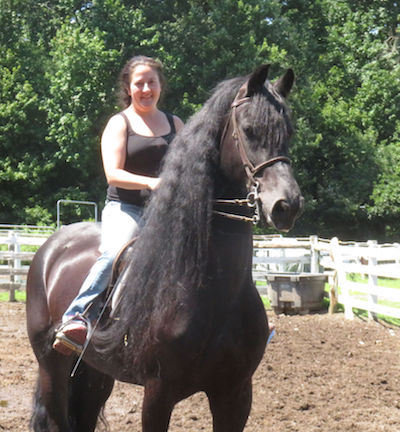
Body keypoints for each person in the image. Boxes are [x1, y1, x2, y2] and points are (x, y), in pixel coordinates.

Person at [53, 56, 184, 355]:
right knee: (117, 252)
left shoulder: (176, 124)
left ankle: (237, 317)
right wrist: (151, 183)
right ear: (128, 87)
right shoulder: (120, 123)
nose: (146, 89)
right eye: (140, 83)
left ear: (161, 85)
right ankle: (78, 314)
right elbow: (113, 173)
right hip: (127, 209)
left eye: (152, 82)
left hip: (167, 213)